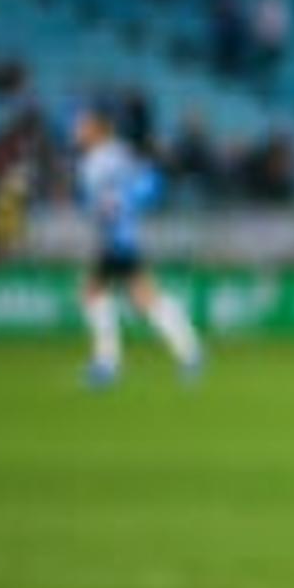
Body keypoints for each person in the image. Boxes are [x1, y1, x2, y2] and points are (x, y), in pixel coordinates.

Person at [70, 104, 202, 388]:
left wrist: (121, 208)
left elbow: (143, 187)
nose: (77, 131)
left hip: (117, 238)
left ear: (98, 129)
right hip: (118, 236)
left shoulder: (103, 159)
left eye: (83, 126)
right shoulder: (112, 155)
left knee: (101, 293)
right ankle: (187, 352)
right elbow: (149, 184)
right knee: (133, 297)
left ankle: (109, 363)